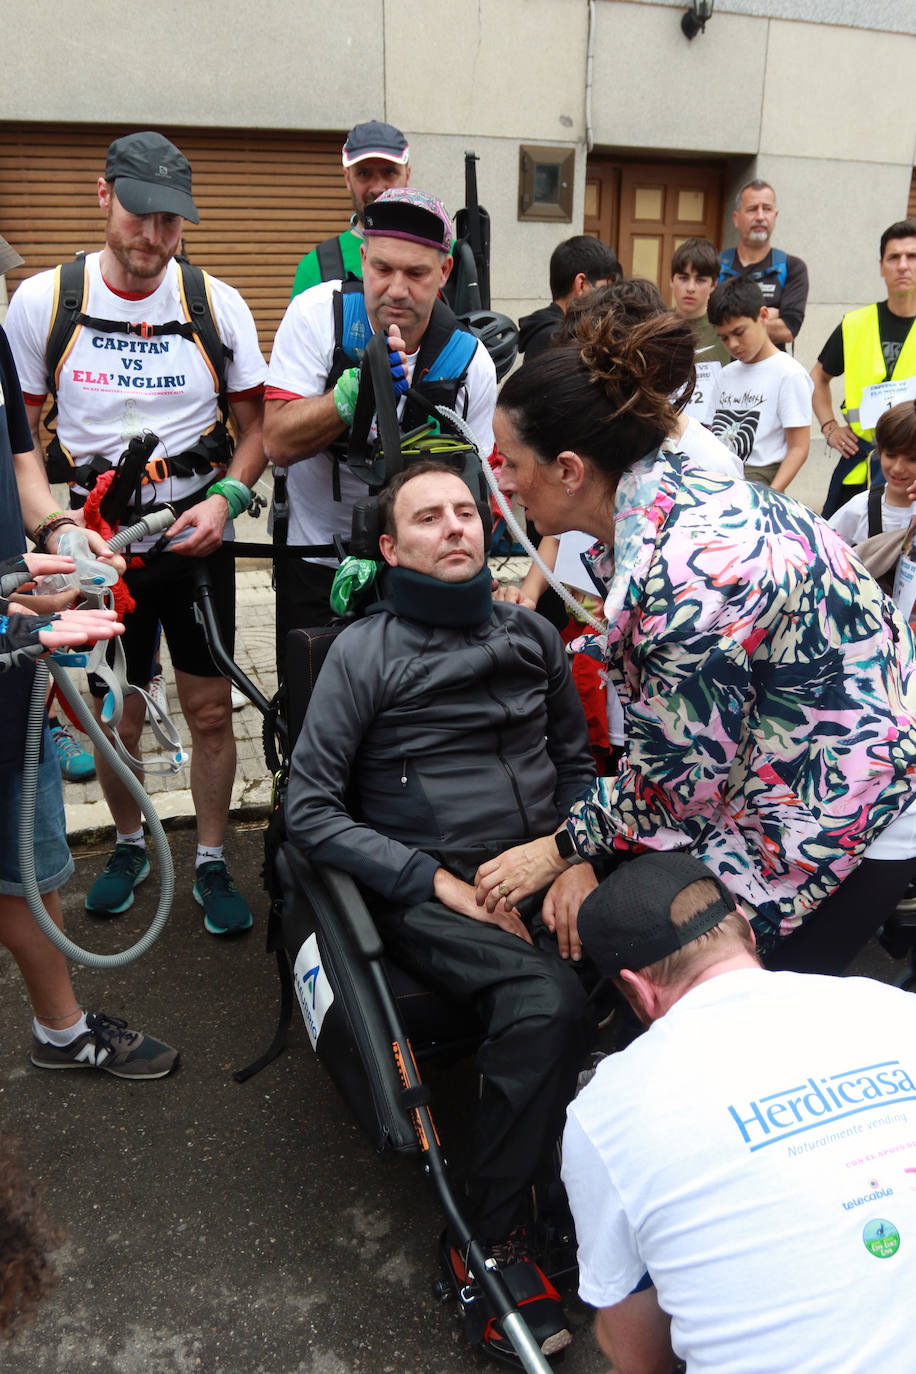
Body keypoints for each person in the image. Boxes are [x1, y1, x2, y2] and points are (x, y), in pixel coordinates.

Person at [475, 308, 916, 978]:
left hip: (855, 804)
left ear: (569, 469)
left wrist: (559, 849)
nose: (500, 482)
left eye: (509, 460)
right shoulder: (672, 490)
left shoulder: (685, 578)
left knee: (728, 1006)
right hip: (794, 766)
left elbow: (673, 788)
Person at [286, 461, 600, 1359]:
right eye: (429, 518)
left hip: (548, 865)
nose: (457, 528)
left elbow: (576, 768)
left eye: (467, 512)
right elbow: (307, 812)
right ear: (391, 548)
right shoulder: (363, 652)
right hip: (430, 884)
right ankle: (488, 1234)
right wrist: (438, 882)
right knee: (548, 1003)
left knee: (684, 940)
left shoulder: (532, 637)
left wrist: (575, 857)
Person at [5, 131, 268, 936]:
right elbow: (19, 451)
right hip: (95, 548)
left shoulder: (213, 304)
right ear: (102, 197)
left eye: (171, 223)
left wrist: (225, 499)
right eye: (139, 215)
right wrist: (54, 525)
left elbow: (258, 432)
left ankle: (214, 858)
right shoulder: (43, 303)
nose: (154, 237)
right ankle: (128, 841)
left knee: (211, 711)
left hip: (192, 542)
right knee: (111, 708)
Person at [562, 850, 916, 1374]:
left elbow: (640, 1358)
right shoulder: (891, 1009)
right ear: (747, 931)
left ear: (636, 987)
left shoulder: (608, 1109)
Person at [0, 316, 178, 1080]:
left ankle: (63, 1031)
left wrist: (60, 537)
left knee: (30, 877)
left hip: (12, 663)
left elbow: (22, 470)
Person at [263, 187, 497, 665]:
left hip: (418, 569)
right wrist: (350, 398)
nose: (396, 289)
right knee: (312, 715)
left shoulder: (469, 360)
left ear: (445, 273)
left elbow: (484, 492)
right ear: (363, 259)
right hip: (315, 560)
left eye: (416, 273)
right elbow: (277, 443)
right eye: (383, 269)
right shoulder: (316, 316)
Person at [811, 218, 916, 518]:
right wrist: (830, 428)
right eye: (894, 257)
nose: (903, 265)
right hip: (858, 467)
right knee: (838, 554)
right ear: (881, 266)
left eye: (912, 256)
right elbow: (818, 377)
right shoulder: (855, 324)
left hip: (910, 473)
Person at [707, 275, 813, 489]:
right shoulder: (725, 374)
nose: (733, 344)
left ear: (763, 316)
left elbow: (799, 448)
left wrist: (771, 495)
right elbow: (711, 434)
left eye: (739, 332)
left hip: (760, 483)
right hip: (718, 482)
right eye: (724, 338)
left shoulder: (789, 373)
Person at [289, 120, 410, 298]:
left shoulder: (444, 254)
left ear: (407, 175)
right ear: (347, 178)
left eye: (389, 172)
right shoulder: (315, 267)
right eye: (364, 173)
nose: (377, 187)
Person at [718, 178, 809, 348]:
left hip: (771, 372)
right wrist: (766, 317)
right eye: (752, 209)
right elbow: (702, 323)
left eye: (767, 209)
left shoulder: (792, 268)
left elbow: (788, 330)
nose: (760, 217)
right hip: (722, 369)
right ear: (736, 218)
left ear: (775, 216)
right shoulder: (716, 266)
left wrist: (726, 322)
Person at [828, 400, 916, 560]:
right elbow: (822, 550)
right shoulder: (859, 509)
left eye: (912, 459)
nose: (897, 468)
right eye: (890, 455)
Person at [518, 235, 621, 362]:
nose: (609, 299)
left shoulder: (545, 332)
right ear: (581, 284)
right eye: (605, 288)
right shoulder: (559, 340)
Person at [669, 236, 730, 424]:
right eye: (683, 278)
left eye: (700, 280)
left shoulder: (727, 331)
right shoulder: (654, 327)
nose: (690, 288)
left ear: (714, 284)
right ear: (671, 280)